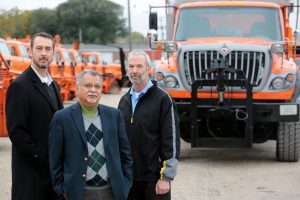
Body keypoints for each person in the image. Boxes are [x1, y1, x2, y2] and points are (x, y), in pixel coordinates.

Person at [49, 69, 132, 200]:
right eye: (88, 85)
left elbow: (125, 153)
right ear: (77, 88)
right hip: (79, 193)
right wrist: (61, 189)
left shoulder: (115, 115)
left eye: (97, 86)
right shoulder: (62, 118)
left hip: (111, 191)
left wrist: (126, 183)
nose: (93, 90)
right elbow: (55, 159)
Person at [5, 32, 64, 200]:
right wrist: (40, 156)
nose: (43, 53)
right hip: (31, 174)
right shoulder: (19, 86)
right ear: (30, 52)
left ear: (53, 52)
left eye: (48, 49)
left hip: (52, 174)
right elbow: (16, 131)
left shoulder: (53, 85)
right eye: (39, 48)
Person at [118, 50, 180, 200]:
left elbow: (170, 141)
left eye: (139, 66)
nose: (134, 71)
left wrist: (165, 177)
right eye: (131, 66)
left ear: (149, 69)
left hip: (154, 179)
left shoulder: (163, 99)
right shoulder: (124, 101)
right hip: (129, 178)